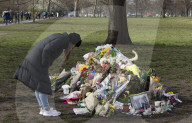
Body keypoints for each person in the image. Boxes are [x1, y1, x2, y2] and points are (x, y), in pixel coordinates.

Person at [13, 33, 82, 116]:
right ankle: (47, 110)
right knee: (43, 86)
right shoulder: (62, 40)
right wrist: (45, 64)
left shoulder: (61, 38)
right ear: (72, 42)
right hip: (38, 62)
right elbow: (47, 50)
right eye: (74, 45)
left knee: (38, 85)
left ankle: (42, 108)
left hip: (34, 60)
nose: (73, 47)